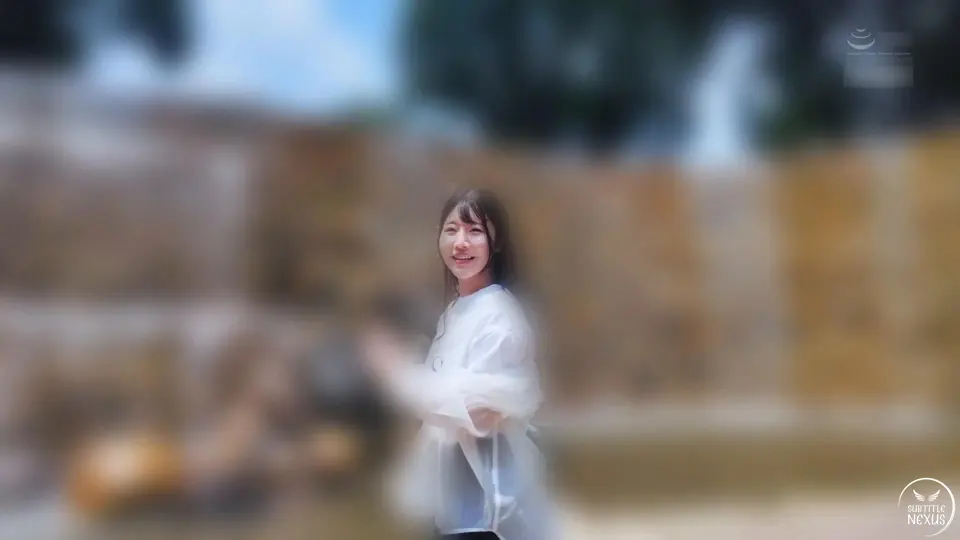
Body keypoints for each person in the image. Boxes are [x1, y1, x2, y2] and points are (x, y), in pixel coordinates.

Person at [364, 188, 551, 540]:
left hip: (487, 520)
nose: (460, 242)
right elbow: (443, 408)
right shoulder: (457, 312)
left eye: (474, 231)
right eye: (451, 230)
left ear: (496, 242)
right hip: (453, 515)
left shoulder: (500, 316)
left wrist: (396, 371)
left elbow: (474, 410)